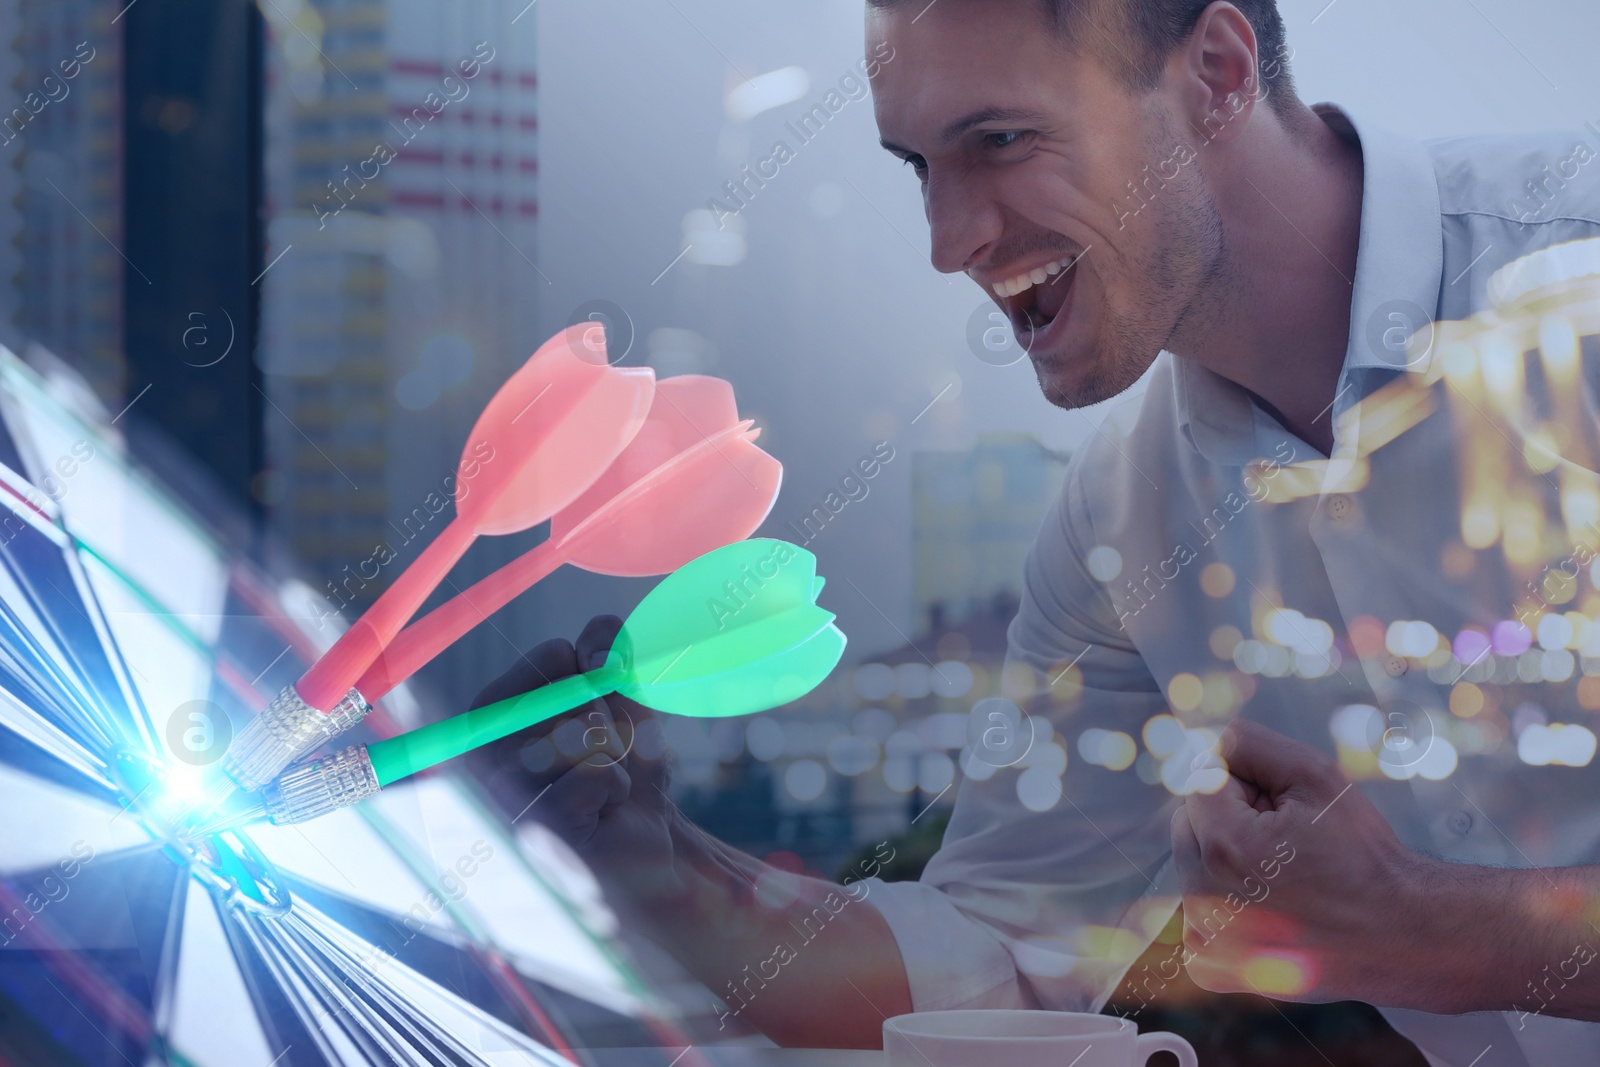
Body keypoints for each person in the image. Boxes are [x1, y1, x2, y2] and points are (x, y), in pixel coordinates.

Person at [468, 1, 1600, 1062]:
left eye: (1002, 139)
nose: (947, 238)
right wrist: (656, 867)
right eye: (919, 166)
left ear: (1215, 75)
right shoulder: (1117, 521)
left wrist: (1449, 934)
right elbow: (1003, 968)